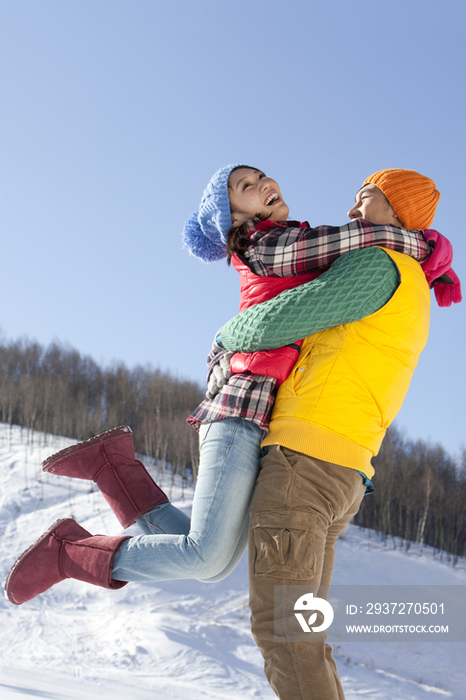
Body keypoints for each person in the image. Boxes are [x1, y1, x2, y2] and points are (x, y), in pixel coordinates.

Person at [4, 166, 449, 607]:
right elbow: (352, 240)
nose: (263, 185)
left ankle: (112, 470)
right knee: (206, 557)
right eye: (246, 186)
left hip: (262, 416)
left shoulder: (291, 239)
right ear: (235, 217)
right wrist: (421, 244)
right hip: (240, 407)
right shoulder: (266, 244)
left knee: (211, 563)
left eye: (261, 176)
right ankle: (67, 553)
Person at [211, 169, 461, 700]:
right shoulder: (411, 279)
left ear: (395, 211)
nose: (351, 211)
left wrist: (225, 336)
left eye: (364, 199)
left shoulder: (378, 265)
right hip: (339, 467)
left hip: (306, 462)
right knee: (301, 635)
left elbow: (278, 320)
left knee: (285, 635)